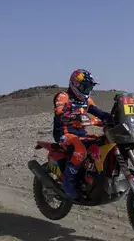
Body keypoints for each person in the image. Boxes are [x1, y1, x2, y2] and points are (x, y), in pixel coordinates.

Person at [52, 69, 113, 199]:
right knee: (80, 150)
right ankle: (68, 184)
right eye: (85, 87)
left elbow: (99, 113)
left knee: (102, 144)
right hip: (64, 133)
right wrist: (72, 117)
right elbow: (59, 113)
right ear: (75, 85)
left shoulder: (87, 100)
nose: (87, 90)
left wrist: (113, 117)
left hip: (81, 134)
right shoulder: (63, 96)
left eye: (89, 87)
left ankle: (91, 178)